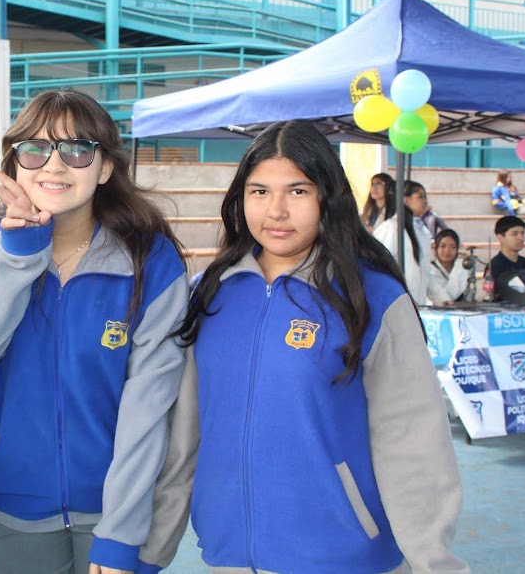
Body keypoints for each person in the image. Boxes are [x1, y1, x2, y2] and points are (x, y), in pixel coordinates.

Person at [136, 120, 468, 574]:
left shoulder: (372, 298)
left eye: (297, 191)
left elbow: (415, 444)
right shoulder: (211, 294)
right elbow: (183, 439)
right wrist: (151, 551)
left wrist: (434, 563)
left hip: (344, 560)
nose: (276, 211)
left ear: (328, 196)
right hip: (229, 557)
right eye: (259, 192)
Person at [0, 89, 189, 574]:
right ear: (15, 162)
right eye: (35, 148)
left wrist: (122, 533)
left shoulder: (149, 258)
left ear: (106, 167)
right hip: (14, 502)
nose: (54, 165)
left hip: (116, 510)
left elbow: (150, 409)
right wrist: (18, 251)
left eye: (77, 149)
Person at [373, 180, 433, 305]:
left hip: (416, 304)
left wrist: (442, 298)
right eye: (420, 197)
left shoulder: (422, 231)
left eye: (425, 197)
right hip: (394, 303)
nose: (425, 201)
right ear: (406, 200)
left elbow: (426, 273)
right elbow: (379, 266)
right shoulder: (391, 228)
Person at [488, 215, 525, 302]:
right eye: (515, 234)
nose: (521, 238)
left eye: (522, 233)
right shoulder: (494, 266)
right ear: (500, 237)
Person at [429, 228, 469, 305]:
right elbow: (450, 296)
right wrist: (459, 266)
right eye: (443, 246)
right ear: (435, 248)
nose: (447, 251)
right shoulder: (430, 269)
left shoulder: (461, 266)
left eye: (453, 247)